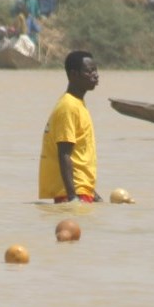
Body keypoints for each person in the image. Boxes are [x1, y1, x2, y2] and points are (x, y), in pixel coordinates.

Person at [39, 51, 102, 204]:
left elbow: (79, 155)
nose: (95, 75)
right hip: (73, 193)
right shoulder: (68, 106)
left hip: (82, 190)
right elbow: (64, 153)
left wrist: (94, 194)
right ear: (74, 75)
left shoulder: (77, 104)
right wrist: (73, 198)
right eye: (89, 71)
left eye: (95, 70)